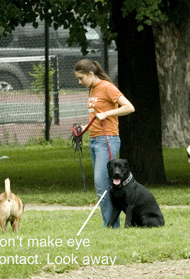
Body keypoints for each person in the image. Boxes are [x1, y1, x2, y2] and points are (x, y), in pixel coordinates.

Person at [74, 59, 135, 228]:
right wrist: (82, 129)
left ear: (91, 74)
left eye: (81, 78)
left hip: (107, 139)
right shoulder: (92, 89)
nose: (80, 82)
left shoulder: (107, 87)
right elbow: (96, 116)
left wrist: (107, 113)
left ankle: (111, 227)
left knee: (103, 185)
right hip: (94, 141)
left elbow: (129, 107)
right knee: (101, 185)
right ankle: (110, 224)